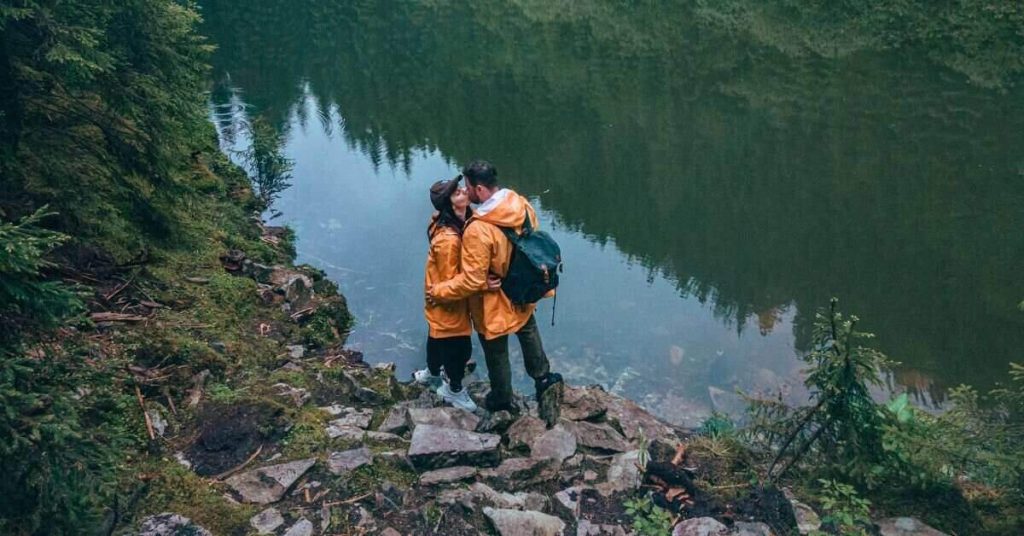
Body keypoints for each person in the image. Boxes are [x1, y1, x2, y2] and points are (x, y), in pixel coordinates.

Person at [427, 160, 562, 414]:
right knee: (527, 329)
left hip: (494, 297)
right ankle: (543, 378)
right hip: (523, 286)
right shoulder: (519, 203)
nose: (465, 192)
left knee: (496, 350)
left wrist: (439, 291)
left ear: (479, 189)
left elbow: (472, 280)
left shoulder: (478, 229)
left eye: (467, 187)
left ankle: (502, 398)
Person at [413, 177, 478, 411]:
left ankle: (431, 373)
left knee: (436, 334)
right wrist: (482, 282)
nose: (462, 190)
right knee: (459, 348)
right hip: (447, 302)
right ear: (450, 205)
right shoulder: (449, 240)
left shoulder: (446, 221)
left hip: (438, 301)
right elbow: (453, 281)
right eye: (456, 193)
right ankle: (453, 390)